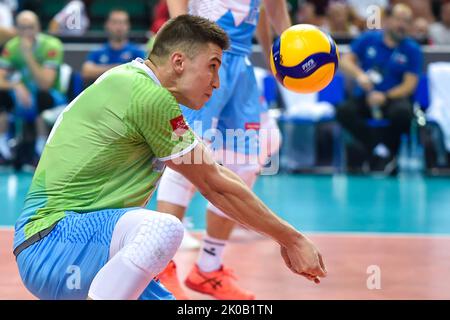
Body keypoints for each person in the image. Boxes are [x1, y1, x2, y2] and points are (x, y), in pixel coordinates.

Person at [13, 14, 326, 301]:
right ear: (179, 62)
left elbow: (214, 173)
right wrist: (291, 239)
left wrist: (288, 237)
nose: (217, 82)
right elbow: (213, 185)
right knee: (163, 230)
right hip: (53, 240)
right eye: (213, 66)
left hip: (86, 248)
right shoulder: (146, 95)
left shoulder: (135, 85)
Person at [155, 0, 288, 300]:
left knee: (245, 162)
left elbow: (273, 7)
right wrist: (187, 39)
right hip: (205, 53)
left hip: (240, 63)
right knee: (186, 158)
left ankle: (209, 268)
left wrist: (279, 56)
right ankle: (161, 267)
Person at [336, 4, 423, 174]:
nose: (402, 25)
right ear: (388, 20)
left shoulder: (412, 49)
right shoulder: (369, 39)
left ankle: (385, 154)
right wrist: (360, 75)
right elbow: (344, 61)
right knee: (344, 111)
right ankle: (379, 150)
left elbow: (409, 85)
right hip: (365, 97)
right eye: (398, 19)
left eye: (407, 21)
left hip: (392, 99)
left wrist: (385, 96)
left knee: (403, 114)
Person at [0, 11, 65, 163]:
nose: (26, 32)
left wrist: (28, 55)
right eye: (22, 28)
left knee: (42, 96)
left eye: (30, 27)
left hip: (52, 98)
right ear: (16, 29)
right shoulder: (12, 47)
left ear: (38, 28)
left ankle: (40, 148)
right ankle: (3, 148)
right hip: (23, 98)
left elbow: (45, 84)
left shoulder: (52, 45)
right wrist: (15, 85)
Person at [81, 9, 145, 83]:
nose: (119, 27)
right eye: (114, 23)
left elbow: (143, 74)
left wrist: (102, 70)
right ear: (107, 25)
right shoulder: (98, 51)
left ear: (128, 26)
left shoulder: (137, 52)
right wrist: (119, 68)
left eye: (122, 23)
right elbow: (86, 71)